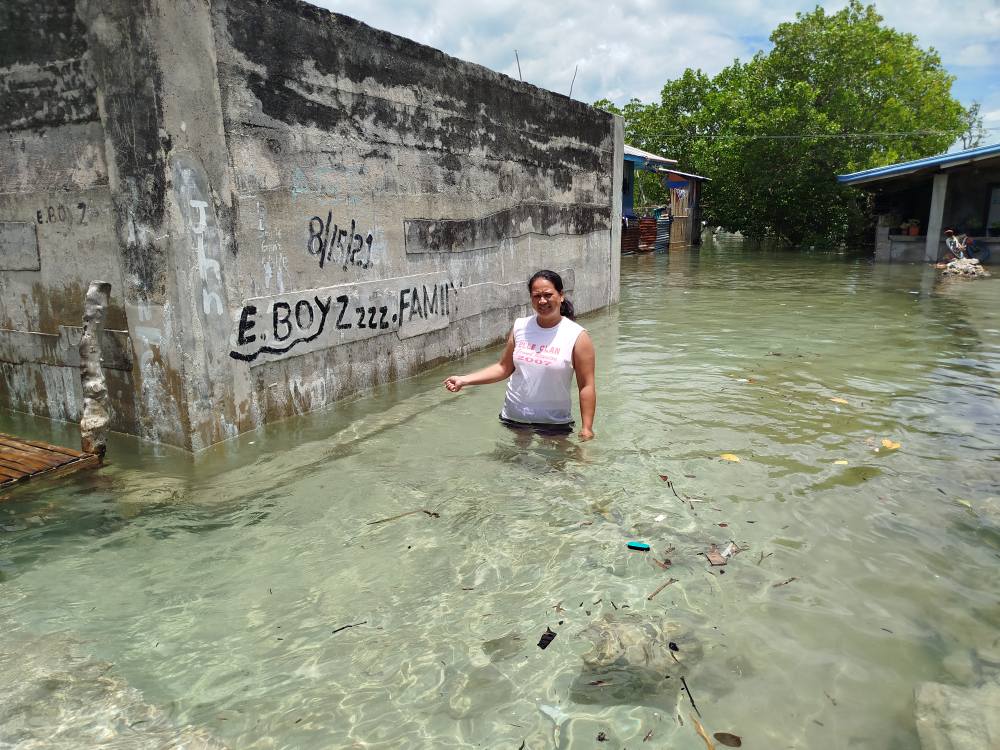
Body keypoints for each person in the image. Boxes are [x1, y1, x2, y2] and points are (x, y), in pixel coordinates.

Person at [443, 270, 596, 440]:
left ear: (560, 296)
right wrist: (464, 380)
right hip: (514, 418)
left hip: (554, 423)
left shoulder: (577, 336)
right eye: (536, 296)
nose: (542, 301)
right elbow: (503, 368)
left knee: (556, 465)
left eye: (548, 295)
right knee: (513, 464)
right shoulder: (520, 326)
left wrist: (587, 428)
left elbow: (586, 386)